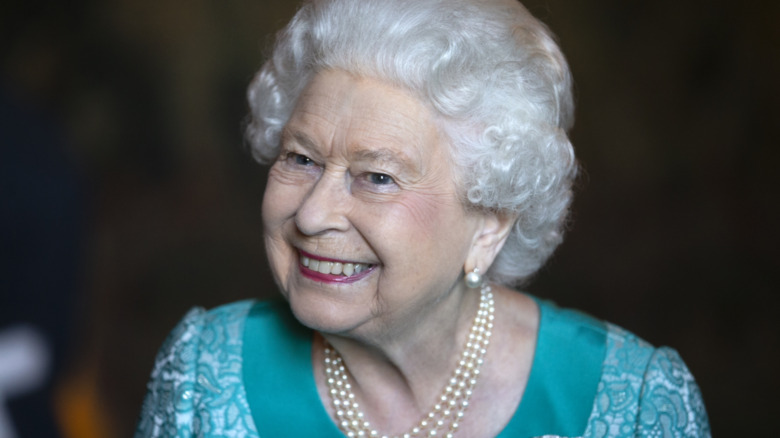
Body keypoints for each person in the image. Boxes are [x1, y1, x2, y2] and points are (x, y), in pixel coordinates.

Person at [135, 0, 711, 436]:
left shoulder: (635, 404)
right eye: (301, 159)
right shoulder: (201, 379)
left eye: (377, 176)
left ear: (489, 222)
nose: (312, 215)